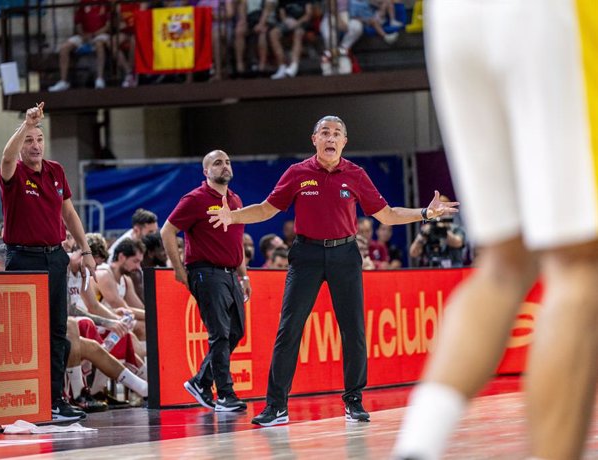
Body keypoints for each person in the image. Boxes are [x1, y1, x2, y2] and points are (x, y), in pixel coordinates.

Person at [392, 2, 598, 459]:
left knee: (504, 265)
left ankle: (418, 446)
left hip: (453, 18)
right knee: (580, 268)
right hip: (548, 15)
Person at [207, 116, 457, 426]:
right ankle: (276, 406)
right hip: (306, 255)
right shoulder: (298, 174)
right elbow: (266, 208)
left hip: (345, 254)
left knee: (353, 331)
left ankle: (354, 401)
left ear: (344, 143)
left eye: (336, 133)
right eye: (325, 132)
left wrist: (425, 214)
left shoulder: (355, 174)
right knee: (289, 330)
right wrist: (233, 217)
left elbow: (388, 215)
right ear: (314, 139)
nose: (331, 137)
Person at [0, 101, 97, 422]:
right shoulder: (13, 173)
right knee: (24, 334)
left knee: (58, 331)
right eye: (30, 140)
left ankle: (55, 401)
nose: (35, 145)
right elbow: (6, 157)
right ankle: (22, 399)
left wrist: (86, 249)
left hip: (55, 257)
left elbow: (68, 213)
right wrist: (25, 125)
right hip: (22, 258)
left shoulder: (56, 170)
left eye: (39, 139)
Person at [161, 149, 251, 412]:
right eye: (217, 163)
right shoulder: (195, 198)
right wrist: (179, 269)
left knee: (236, 331)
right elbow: (167, 230)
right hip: (206, 271)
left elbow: (237, 241)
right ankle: (225, 394)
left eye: (227, 162)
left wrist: (243, 274)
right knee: (220, 333)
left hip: (230, 273)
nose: (224, 166)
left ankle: (201, 382)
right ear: (206, 171)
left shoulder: (235, 199)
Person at [48, 0, 111, 91]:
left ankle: (99, 78)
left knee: (99, 45)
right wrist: (84, 35)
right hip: (84, 35)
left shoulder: (104, 3)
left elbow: (108, 25)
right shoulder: (83, 3)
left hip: (100, 34)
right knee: (64, 48)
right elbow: (78, 24)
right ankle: (63, 81)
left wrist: (95, 34)